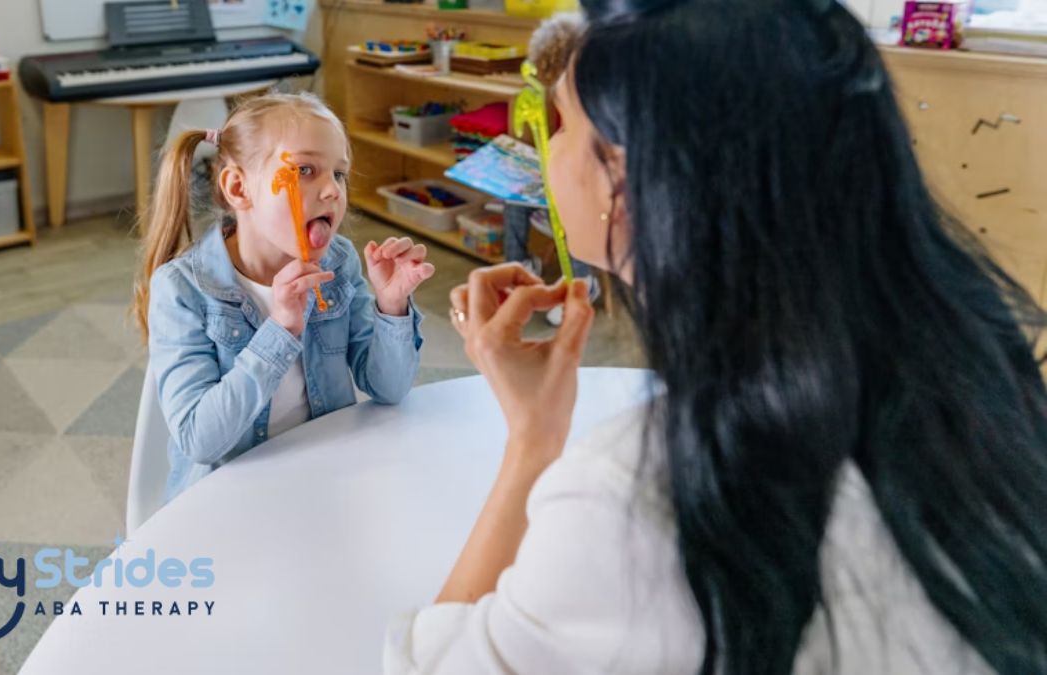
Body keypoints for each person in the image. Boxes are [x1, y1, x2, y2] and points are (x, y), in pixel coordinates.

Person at [385, 0, 1047, 672]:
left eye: (559, 124)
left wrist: (531, 447)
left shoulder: (636, 498)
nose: (545, 149)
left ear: (623, 178)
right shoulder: (987, 367)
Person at [132, 92, 435, 501]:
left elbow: (389, 388)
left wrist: (392, 306)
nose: (331, 190)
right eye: (306, 169)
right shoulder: (182, 289)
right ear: (239, 188)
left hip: (322, 473)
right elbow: (199, 440)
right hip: (230, 497)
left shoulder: (338, 261)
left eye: (339, 174)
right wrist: (281, 329)